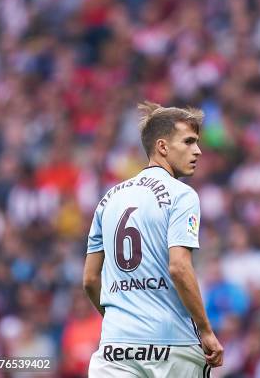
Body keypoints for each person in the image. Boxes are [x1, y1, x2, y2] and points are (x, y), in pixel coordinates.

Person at [83, 101, 223, 377]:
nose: (198, 150)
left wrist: (123, 320)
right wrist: (206, 330)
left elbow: (89, 279)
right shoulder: (182, 195)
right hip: (172, 348)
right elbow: (179, 267)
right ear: (162, 147)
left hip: (115, 348)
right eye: (189, 141)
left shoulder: (108, 199)